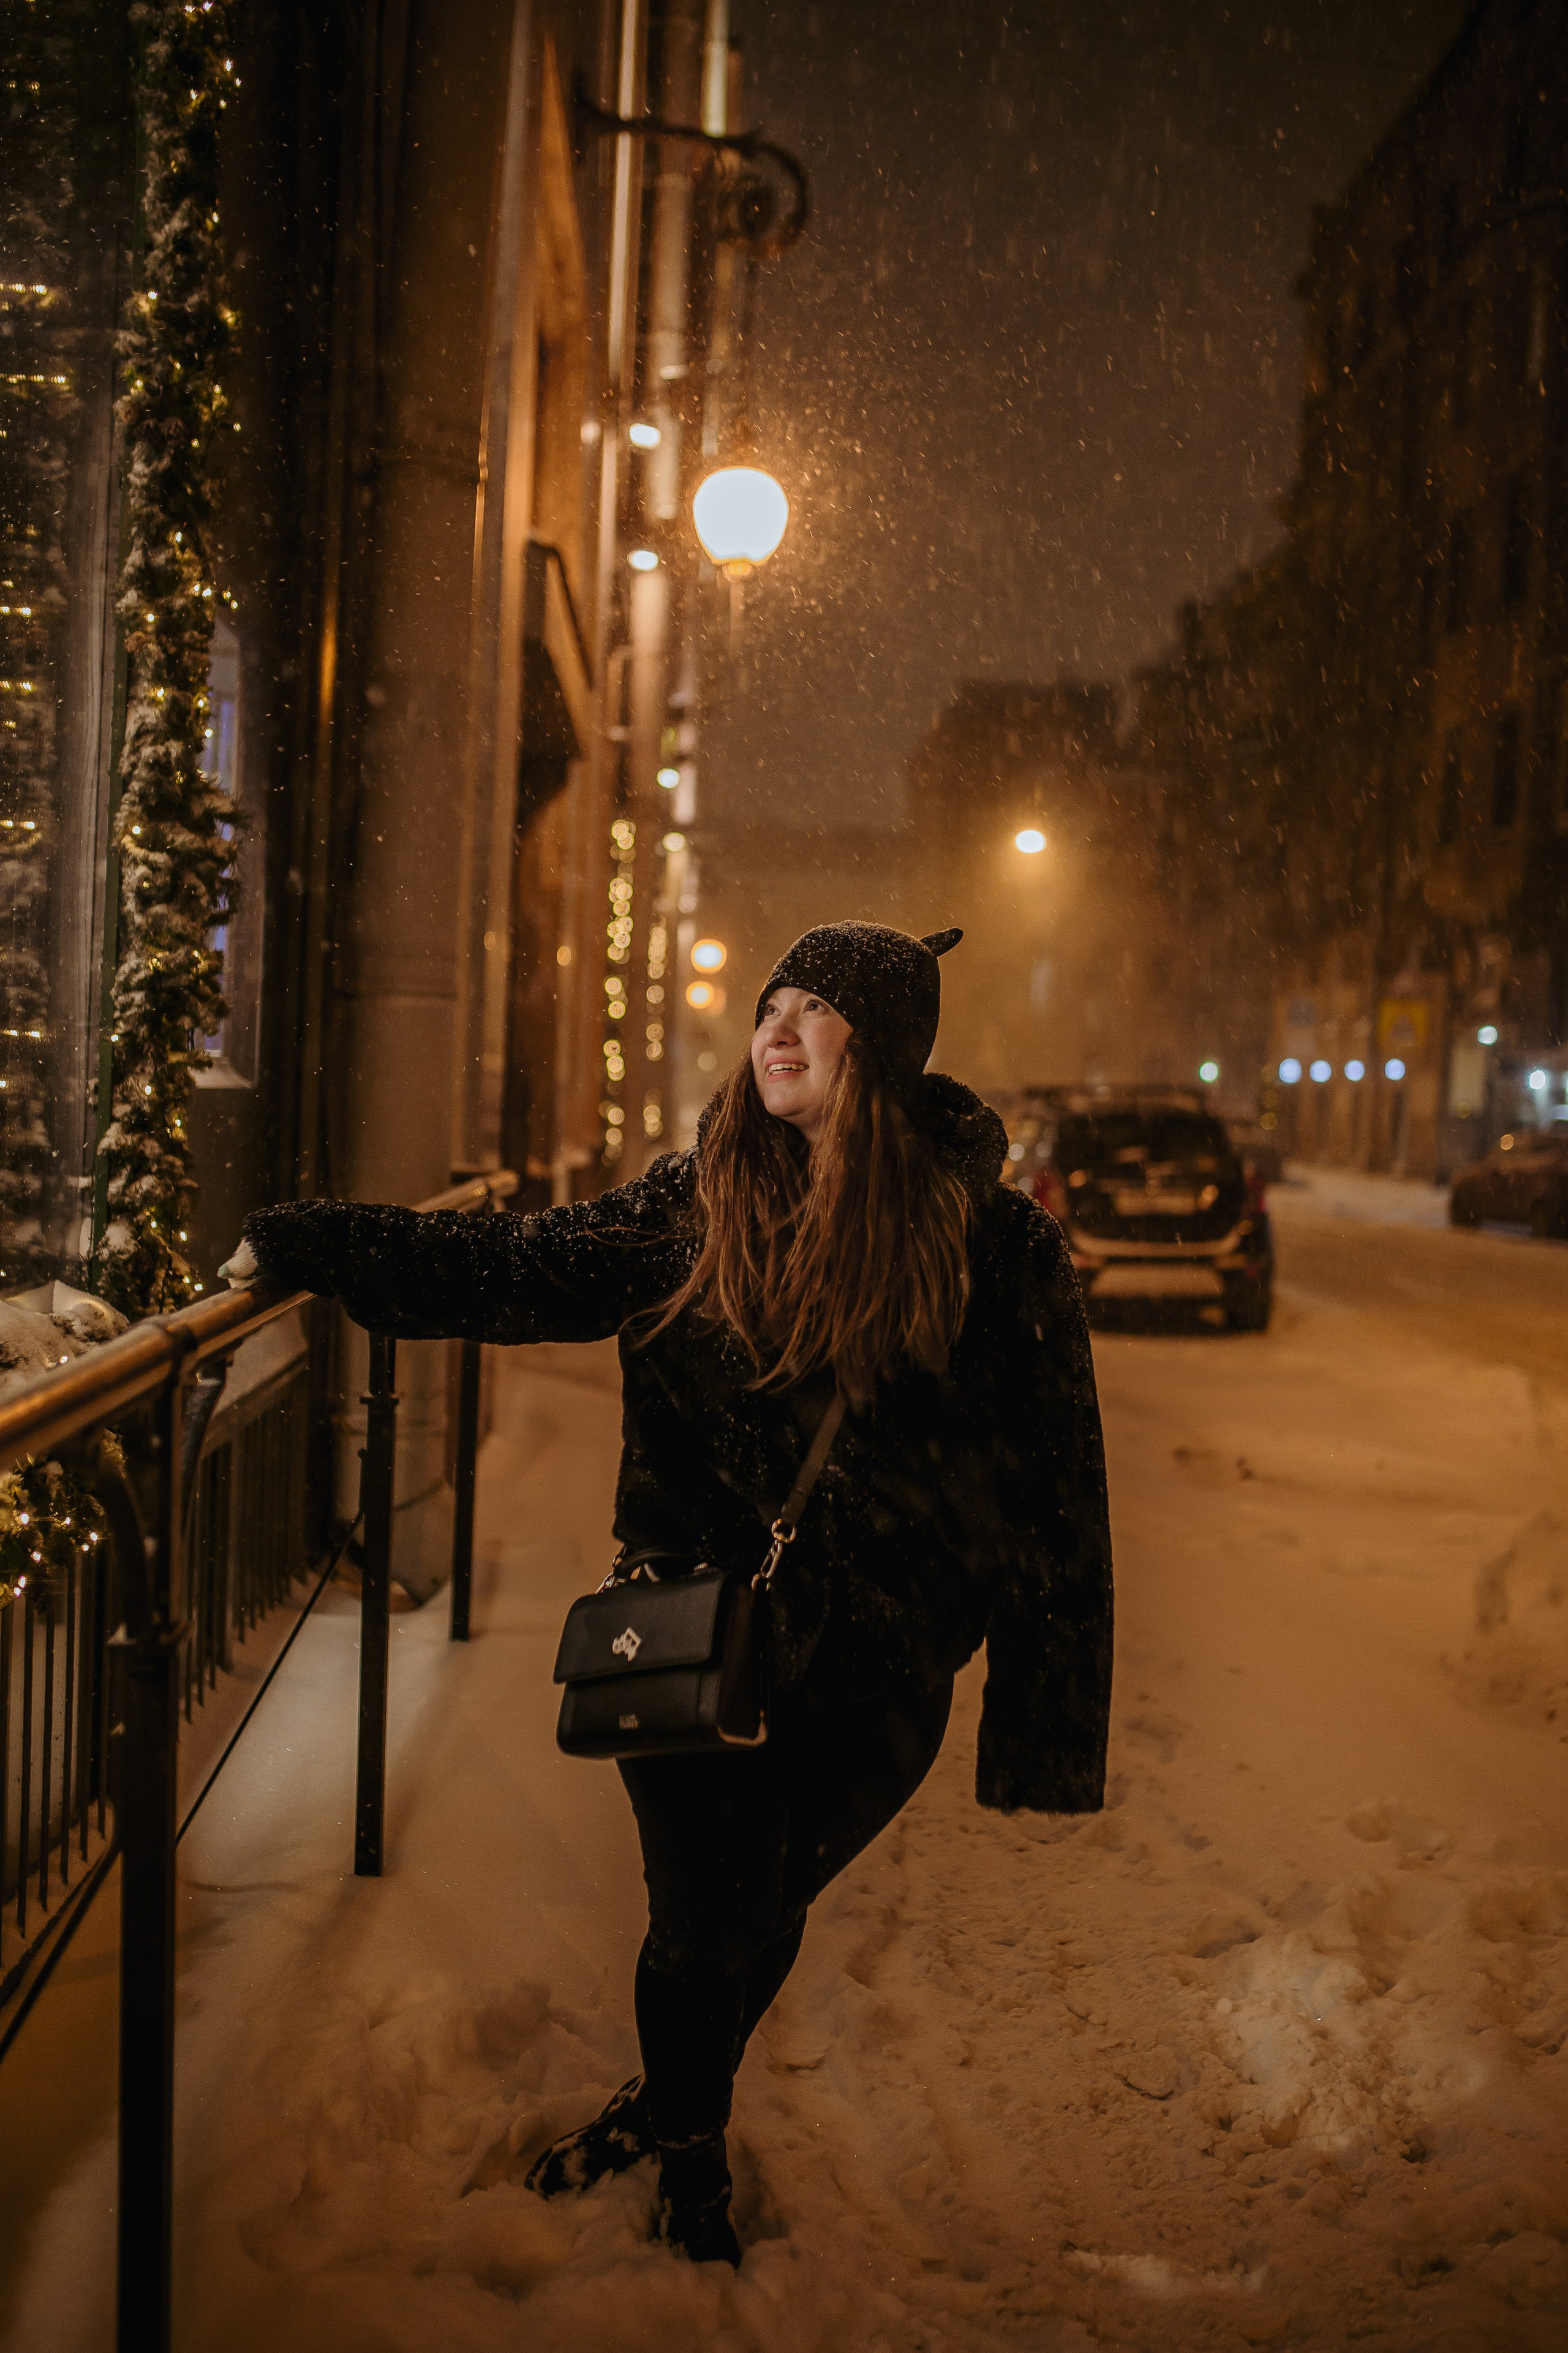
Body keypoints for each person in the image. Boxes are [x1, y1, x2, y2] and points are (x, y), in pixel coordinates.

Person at [224, 921, 1114, 2267]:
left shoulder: (992, 1247)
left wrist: (1039, 1718)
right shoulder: (691, 1202)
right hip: (694, 1640)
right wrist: (313, 1242)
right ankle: (691, 2152)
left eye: (821, 1009)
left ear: (879, 1054)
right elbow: (511, 1269)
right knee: (704, 1921)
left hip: (880, 1678)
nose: (782, 1024)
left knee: (763, 1913)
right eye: (777, 998)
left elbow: (1057, 1493)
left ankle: (669, 2096)